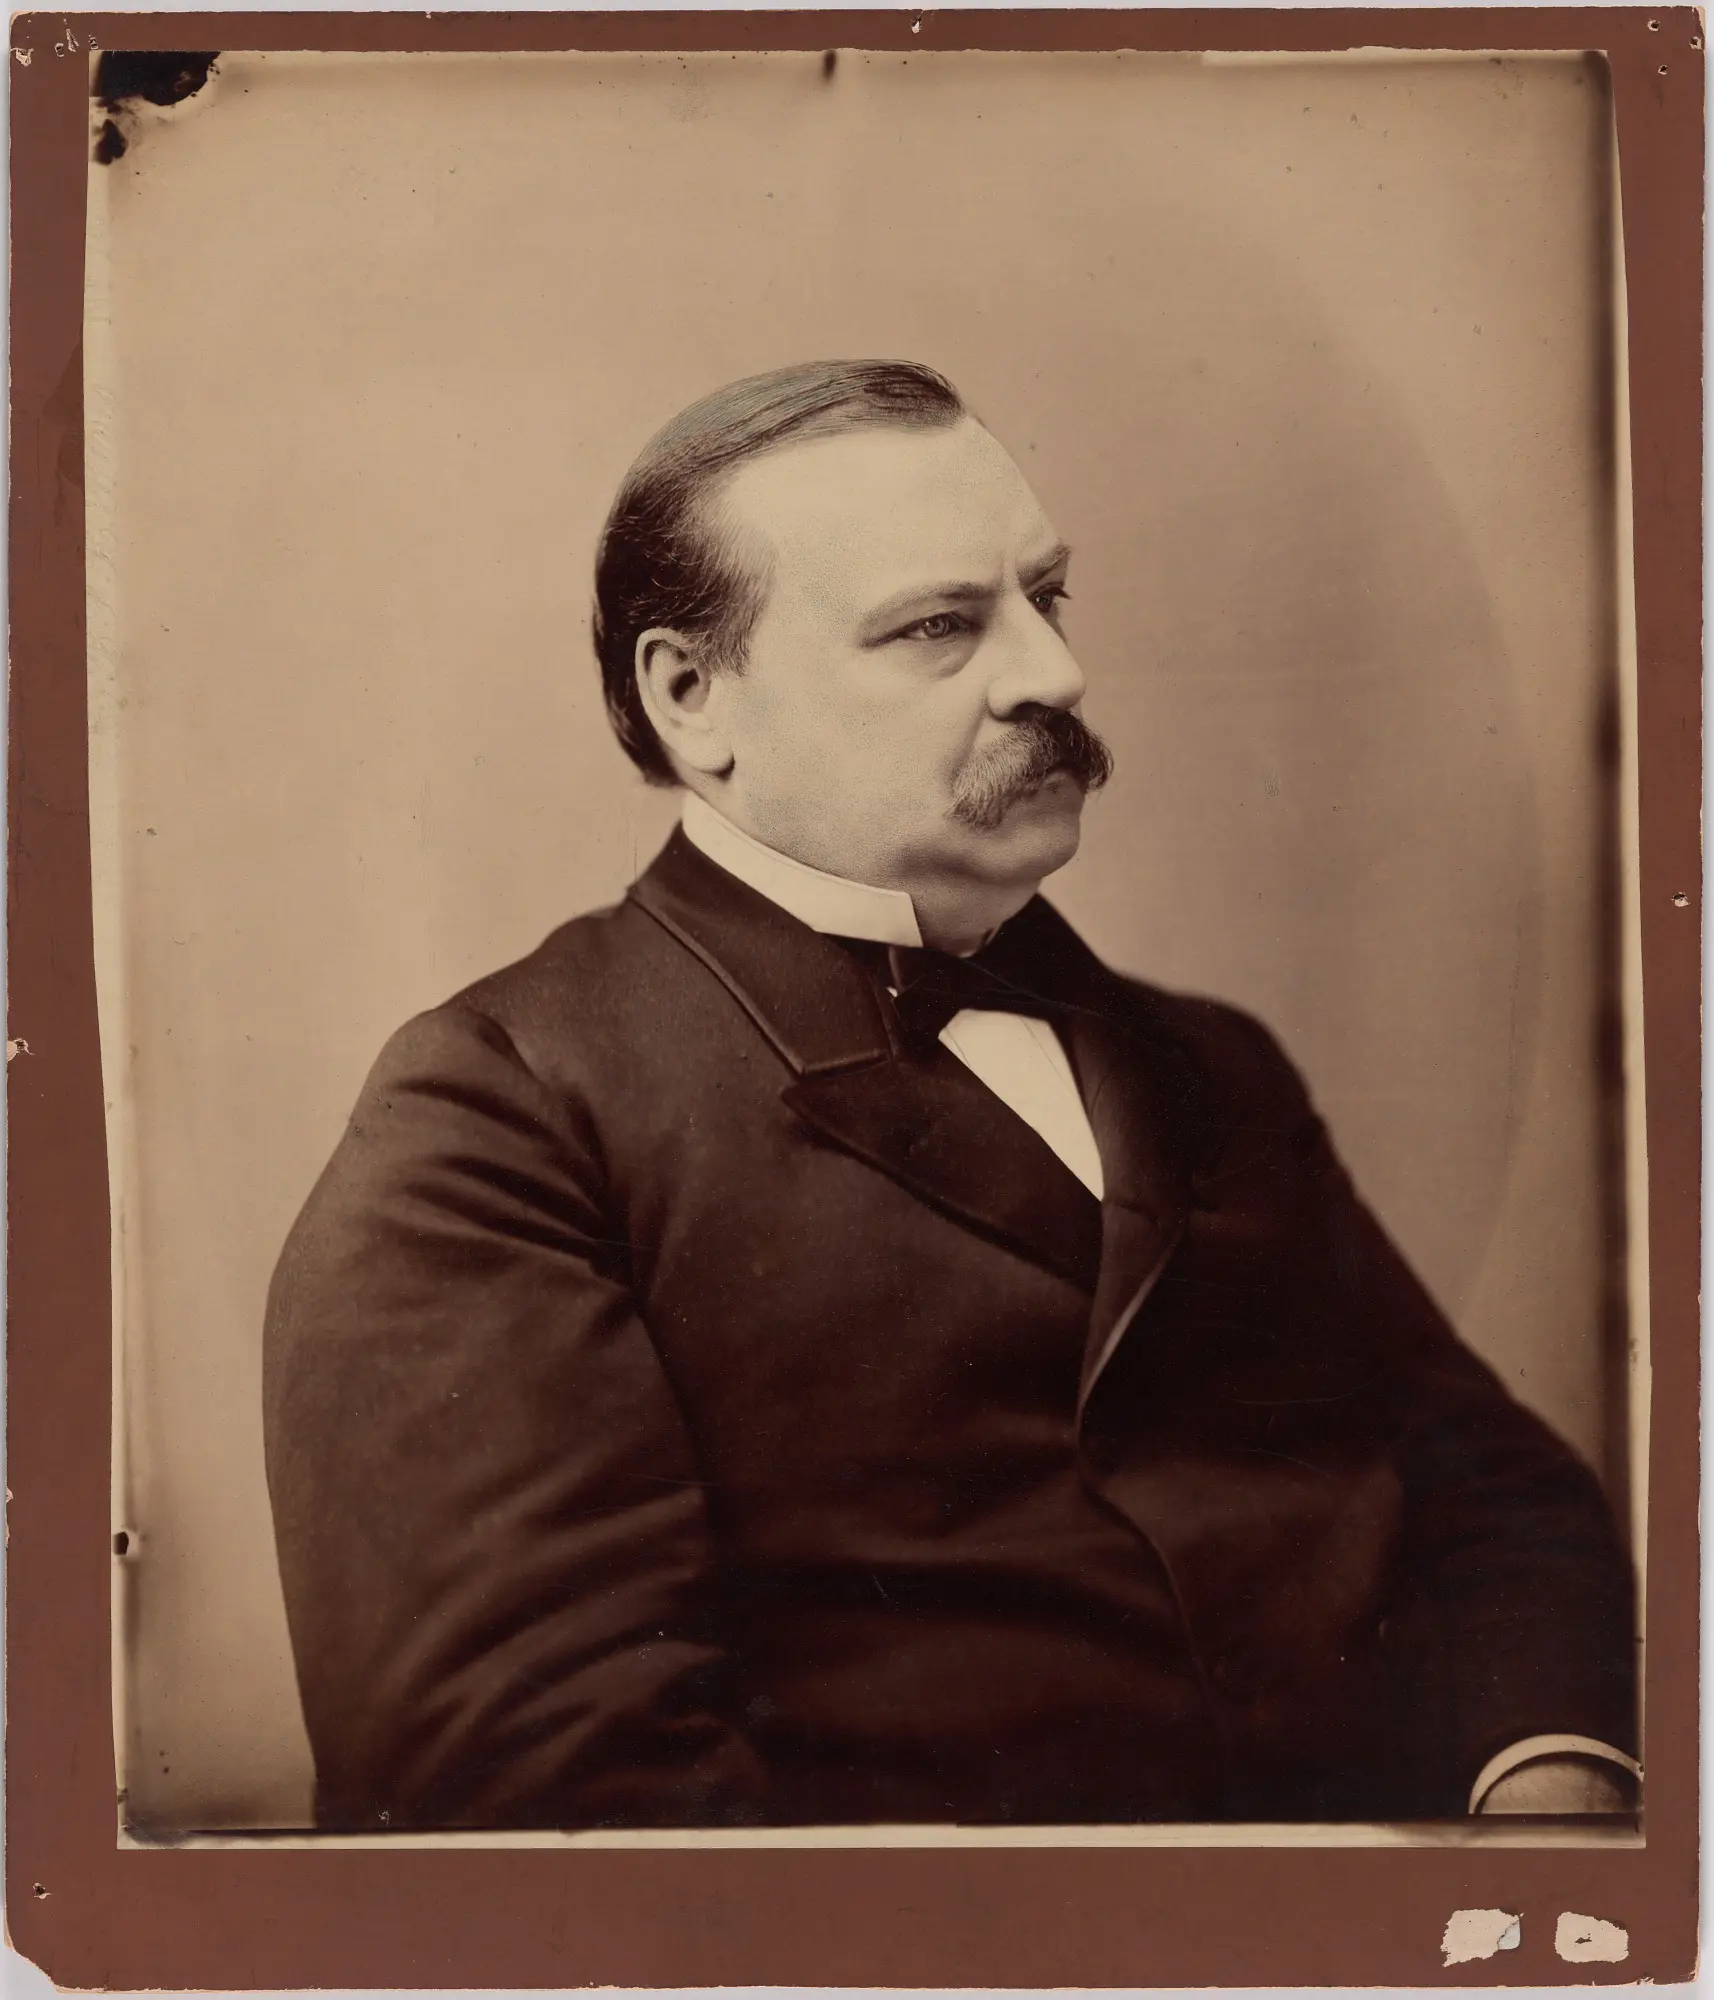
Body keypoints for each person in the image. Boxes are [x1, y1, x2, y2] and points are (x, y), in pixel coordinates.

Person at [264, 360, 1638, 1831]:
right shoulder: (502, 1119)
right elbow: (544, 1799)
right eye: (937, 626)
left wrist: (1543, 1784)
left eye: (1047, 597)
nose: (1052, 674)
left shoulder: (1209, 1066)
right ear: (692, 698)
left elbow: (1490, 1493)